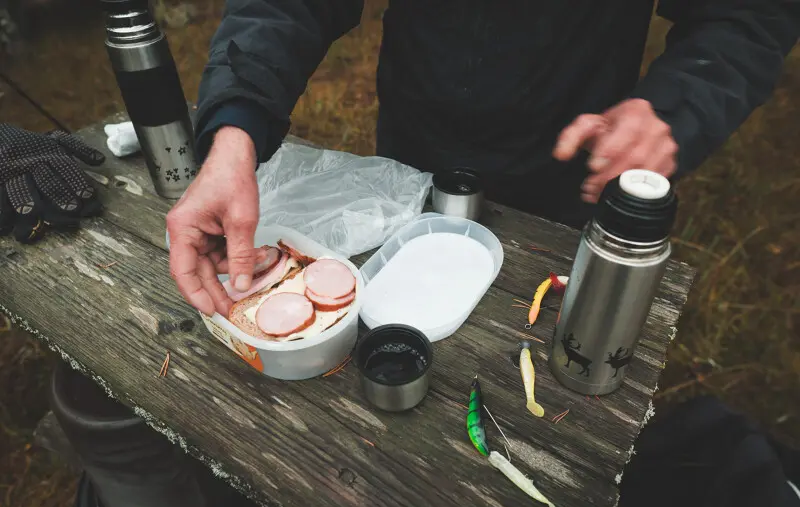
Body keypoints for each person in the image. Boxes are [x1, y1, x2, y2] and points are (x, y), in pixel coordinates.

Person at [166, 0, 798, 317]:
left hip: (575, 160)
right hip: (414, 144)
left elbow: (746, 15)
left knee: (535, 342)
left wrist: (676, 106)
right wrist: (235, 132)